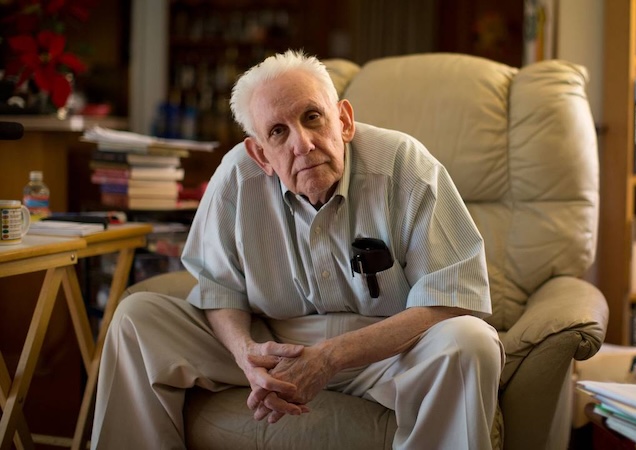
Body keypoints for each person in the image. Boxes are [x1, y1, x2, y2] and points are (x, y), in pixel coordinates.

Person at [92, 49, 503, 450]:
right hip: (272, 340)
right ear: (260, 154)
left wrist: (329, 358)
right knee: (136, 319)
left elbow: (451, 296)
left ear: (344, 121)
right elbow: (219, 290)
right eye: (278, 131)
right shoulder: (236, 177)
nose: (302, 144)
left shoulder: (405, 164)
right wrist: (246, 354)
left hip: (388, 350)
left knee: (471, 342)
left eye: (312, 117)